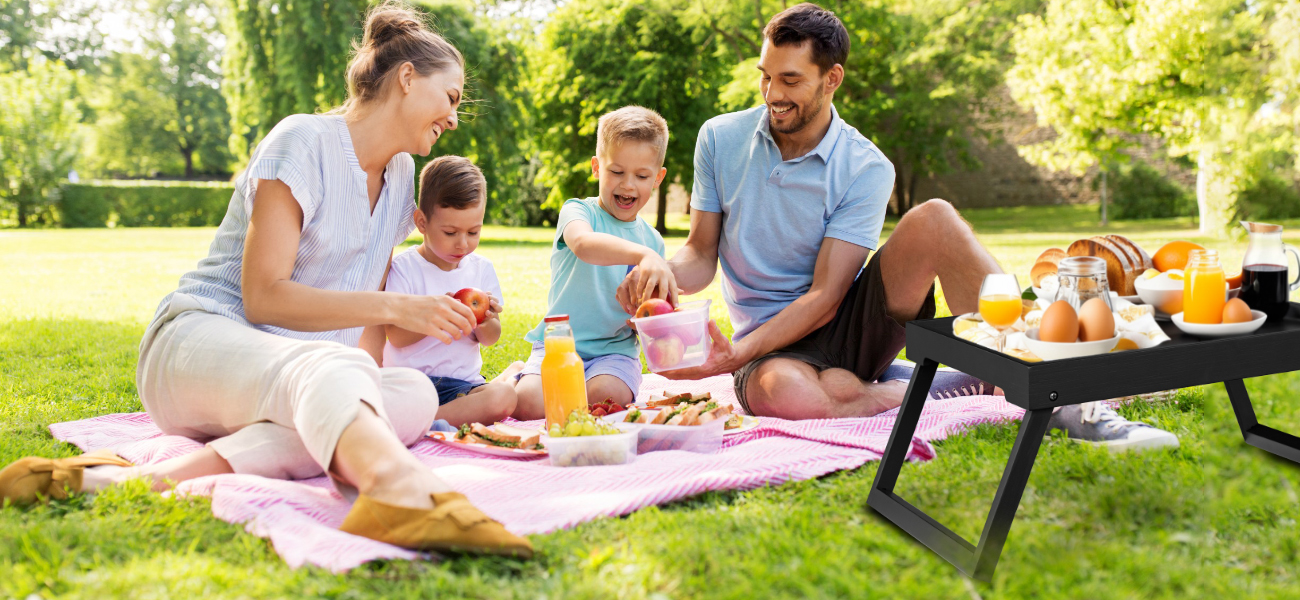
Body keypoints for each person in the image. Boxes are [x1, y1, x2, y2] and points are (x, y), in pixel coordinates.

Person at [0, 2, 535, 553]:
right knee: (334, 373)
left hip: (292, 377)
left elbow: (364, 313)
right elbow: (263, 297)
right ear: (406, 79)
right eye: (450, 98)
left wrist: (361, 382)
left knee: (412, 395)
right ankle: (396, 491)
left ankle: (117, 480)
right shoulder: (302, 140)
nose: (453, 117)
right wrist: (397, 310)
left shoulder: (401, 177)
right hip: (198, 343)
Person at [620, 3, 1176, 450]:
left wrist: (730, 359)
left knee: (934, 217)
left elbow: (827, 295)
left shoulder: (866, 166)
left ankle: (1063, 398)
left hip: (845, 323)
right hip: (772, 350)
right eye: (765, 77)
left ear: (831, 78)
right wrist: (658, 271)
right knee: (784, 392)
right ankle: (927, 387)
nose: (772, 95)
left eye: (790, 80)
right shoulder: (721, 138)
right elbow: (699, 254)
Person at [513, 106, 673, 417]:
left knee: (603, 398)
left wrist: (650, 324)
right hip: (559, 345)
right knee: (528, 405)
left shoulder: (653, 241)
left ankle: (580, 389)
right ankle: (519, 373)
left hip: (613, 353)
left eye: (641, 176)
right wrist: (642, 255)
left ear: (658, 178)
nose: (627, 185)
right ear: (596, 167)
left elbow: (651, 310)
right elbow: (584, 245)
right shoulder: (578, 212)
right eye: (616, 172)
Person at [381, 155, 524, 427]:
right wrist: (432, 316)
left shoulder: (481, 269)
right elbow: (396, 338)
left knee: (503, 397)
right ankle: (424, 418)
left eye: (473, 232)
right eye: (449, 232)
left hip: (462, 385)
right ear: (422, 222)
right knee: (389, 397)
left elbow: (491, 339)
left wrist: (485, 319)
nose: (462, 244)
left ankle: (418, 423)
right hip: (412, 384)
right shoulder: (405, 268)